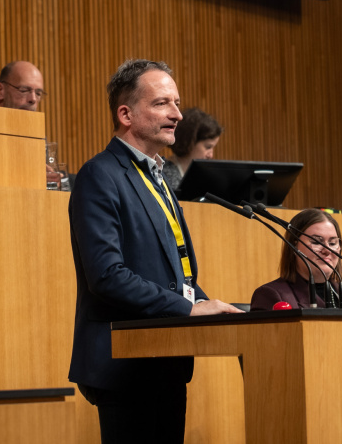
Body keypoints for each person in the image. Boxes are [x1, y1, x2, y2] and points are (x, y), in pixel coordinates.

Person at [68, 59, 242, 443]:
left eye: (176, 103)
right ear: (126, 114)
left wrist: (210, 305)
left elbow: (175, 272)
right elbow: (107, 275)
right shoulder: (100, 175)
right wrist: (188, 309)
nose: (178, 114)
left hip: (166, 360)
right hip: (126, 365)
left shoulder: (158, 176)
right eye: (163, 103)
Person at [250, 208, 342, 310]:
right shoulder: (272, 295)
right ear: (294, 246)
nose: (327, 250)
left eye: (333, 243)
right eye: (317, 242)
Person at [0, 60, 62, 187]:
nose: (33, 99)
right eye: (24, 90)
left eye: (38, 93)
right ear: (0, 91)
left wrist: (52, 182)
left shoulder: (38, 139)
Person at [162, 107, 223, 190]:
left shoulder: (203, 176)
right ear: (189, 142)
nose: (211, 155)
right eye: (208, 147)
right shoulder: (164, 174)